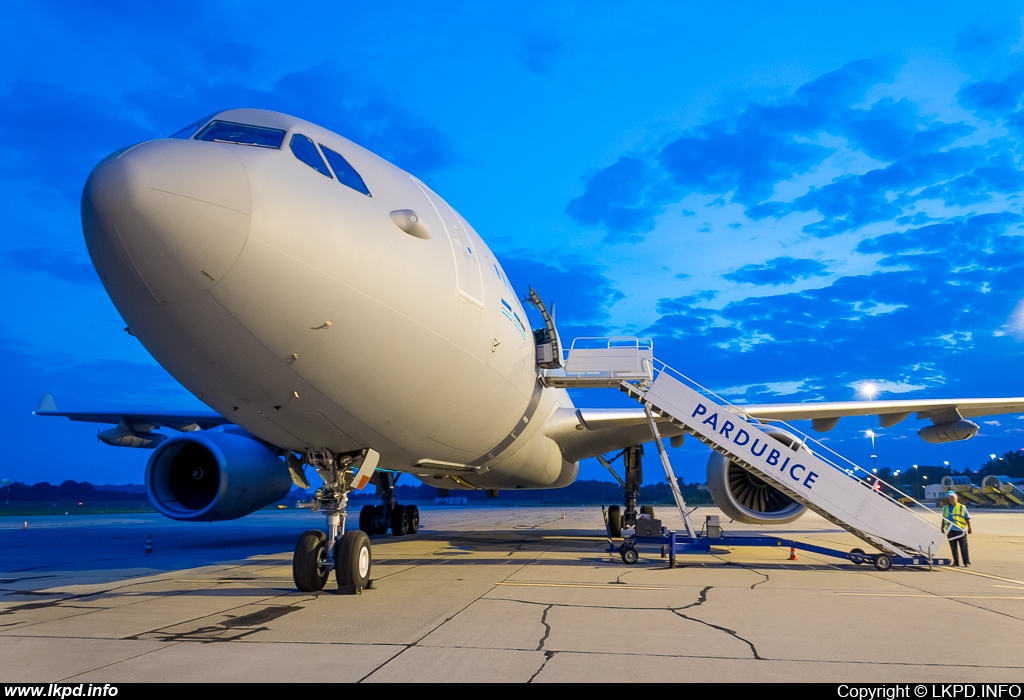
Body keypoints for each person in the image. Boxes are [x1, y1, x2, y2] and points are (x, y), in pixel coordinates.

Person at [941, 491, 972, 567]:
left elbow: (967, 518)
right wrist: (942, 528)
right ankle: (956, 562)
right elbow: (944, 518)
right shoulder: (945, 508)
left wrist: (969, 528)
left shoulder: (962, 507)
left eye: (953, 498)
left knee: (964, 547)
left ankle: (966, 562)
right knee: (953, 547)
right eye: (950, 498)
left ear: (956, 499)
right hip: (950, 530)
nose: (951, 499)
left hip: (960, 530)